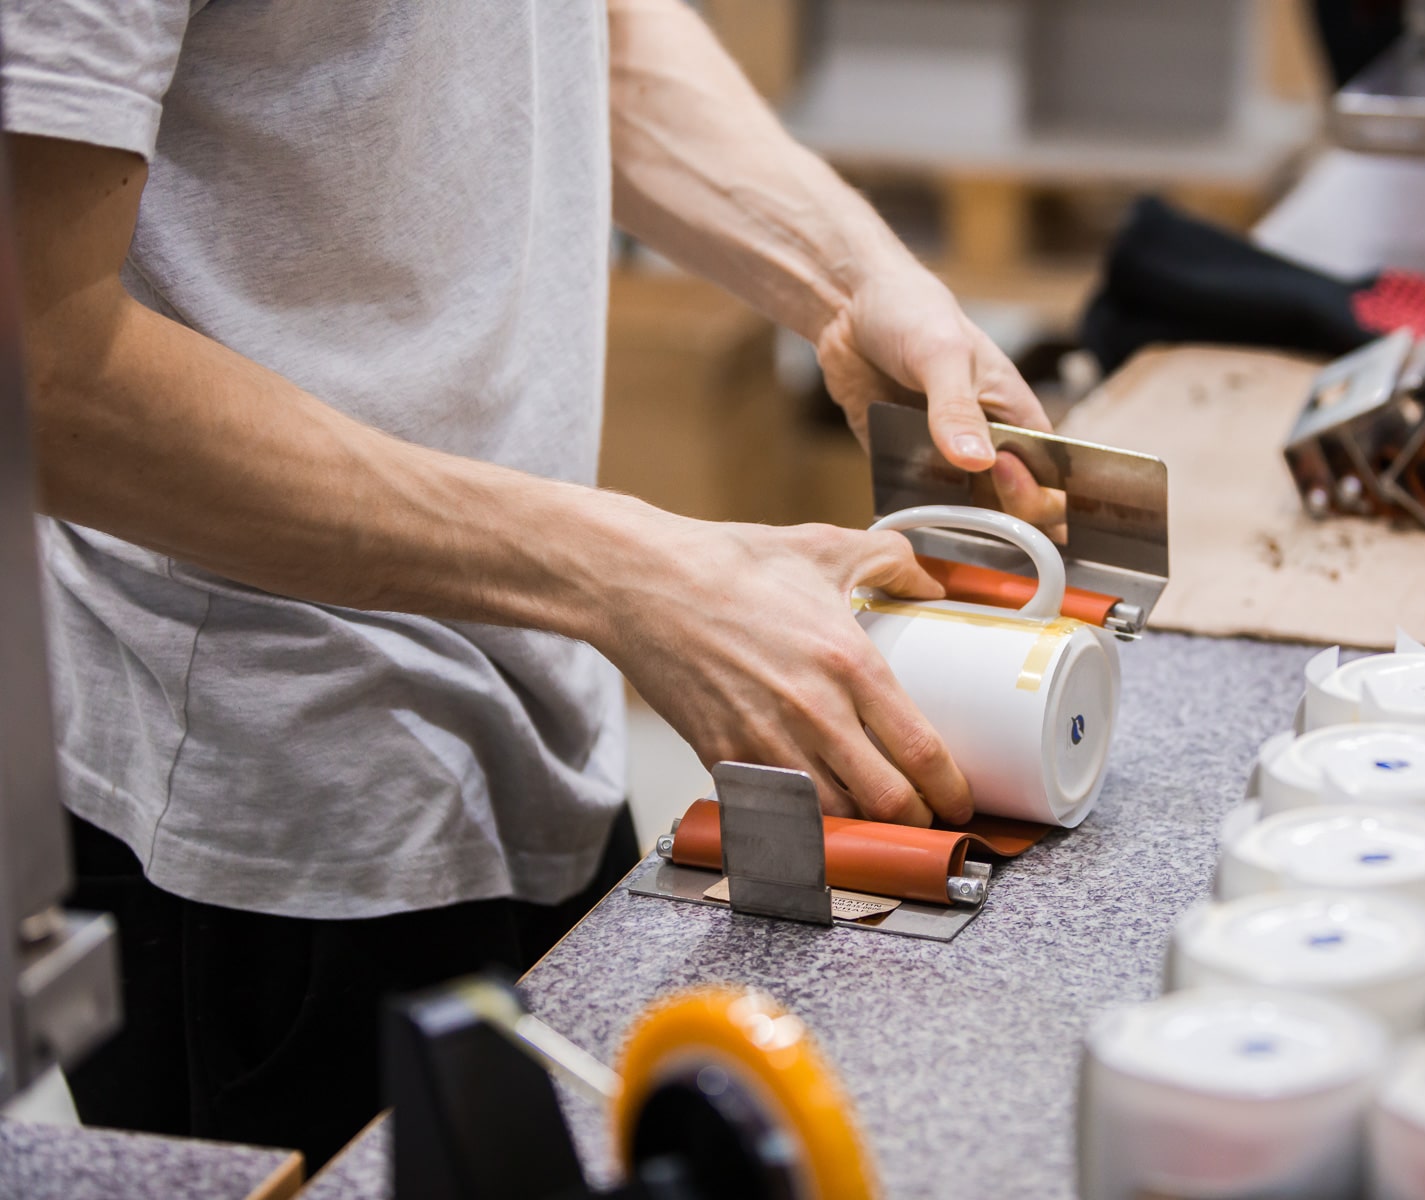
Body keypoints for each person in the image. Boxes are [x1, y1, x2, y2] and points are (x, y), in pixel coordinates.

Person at [1, 0, 1057, 1168]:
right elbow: (44, 375)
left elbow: (591, 32)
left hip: (535, 688)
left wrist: (849, 278)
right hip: (282, 835)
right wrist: (628, 573)